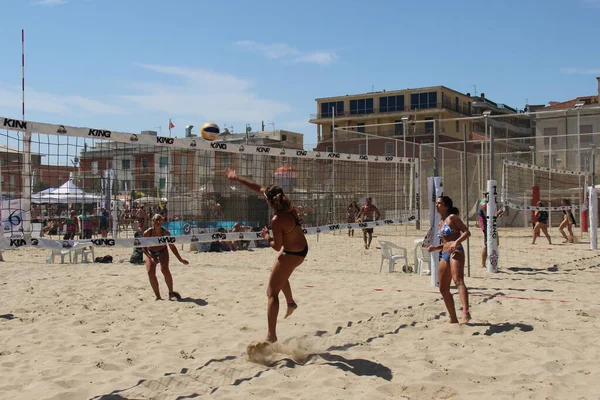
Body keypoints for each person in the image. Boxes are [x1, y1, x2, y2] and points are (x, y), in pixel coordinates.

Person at [225, 167, 307, 343]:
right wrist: (237, 177)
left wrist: (267, 236)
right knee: (277, 272)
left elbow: (276, 246)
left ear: (270, 201)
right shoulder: (287, 203)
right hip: (300, 249)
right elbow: (258, 188)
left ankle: (271, 336)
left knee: (271, 292)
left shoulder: (277, 220)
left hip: (292, 253)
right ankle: (291, 302)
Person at [427, 196, 471, 324]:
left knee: (458, 280)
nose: (437, 205)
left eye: (439, 203)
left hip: (456, 250)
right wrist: (436, 247)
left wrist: (456, 242)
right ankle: (453, 317)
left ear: (446, 206)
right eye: (436, 203)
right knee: (443, 287)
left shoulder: (452, 218)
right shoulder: (441, 222)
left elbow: (467, 232)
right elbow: (446, 242)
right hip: (445, 252)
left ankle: (466, 313)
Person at [142, 214, 189, 301]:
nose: (158, 222)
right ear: (152, 221)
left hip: (162, 250)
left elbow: (172, 246)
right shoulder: (147, 233)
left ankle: (171, 293)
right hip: (150, 251)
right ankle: (158, 296)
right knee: (150, 272)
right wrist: (151, 257)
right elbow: (143, 248)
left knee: (165, 269)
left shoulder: (166, 233)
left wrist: (180, 259)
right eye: (156, 220)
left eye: (160, 220)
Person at [478, 193, 504, 268]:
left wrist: (498, 214)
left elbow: (492, 217)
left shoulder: (488, 203)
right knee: (487, 245)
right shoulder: (484, 204)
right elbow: (488, 217)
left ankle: (491, 262)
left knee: (496, 243)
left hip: (490, 225)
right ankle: (483, 264)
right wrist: (498, 212)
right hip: (487, 227)